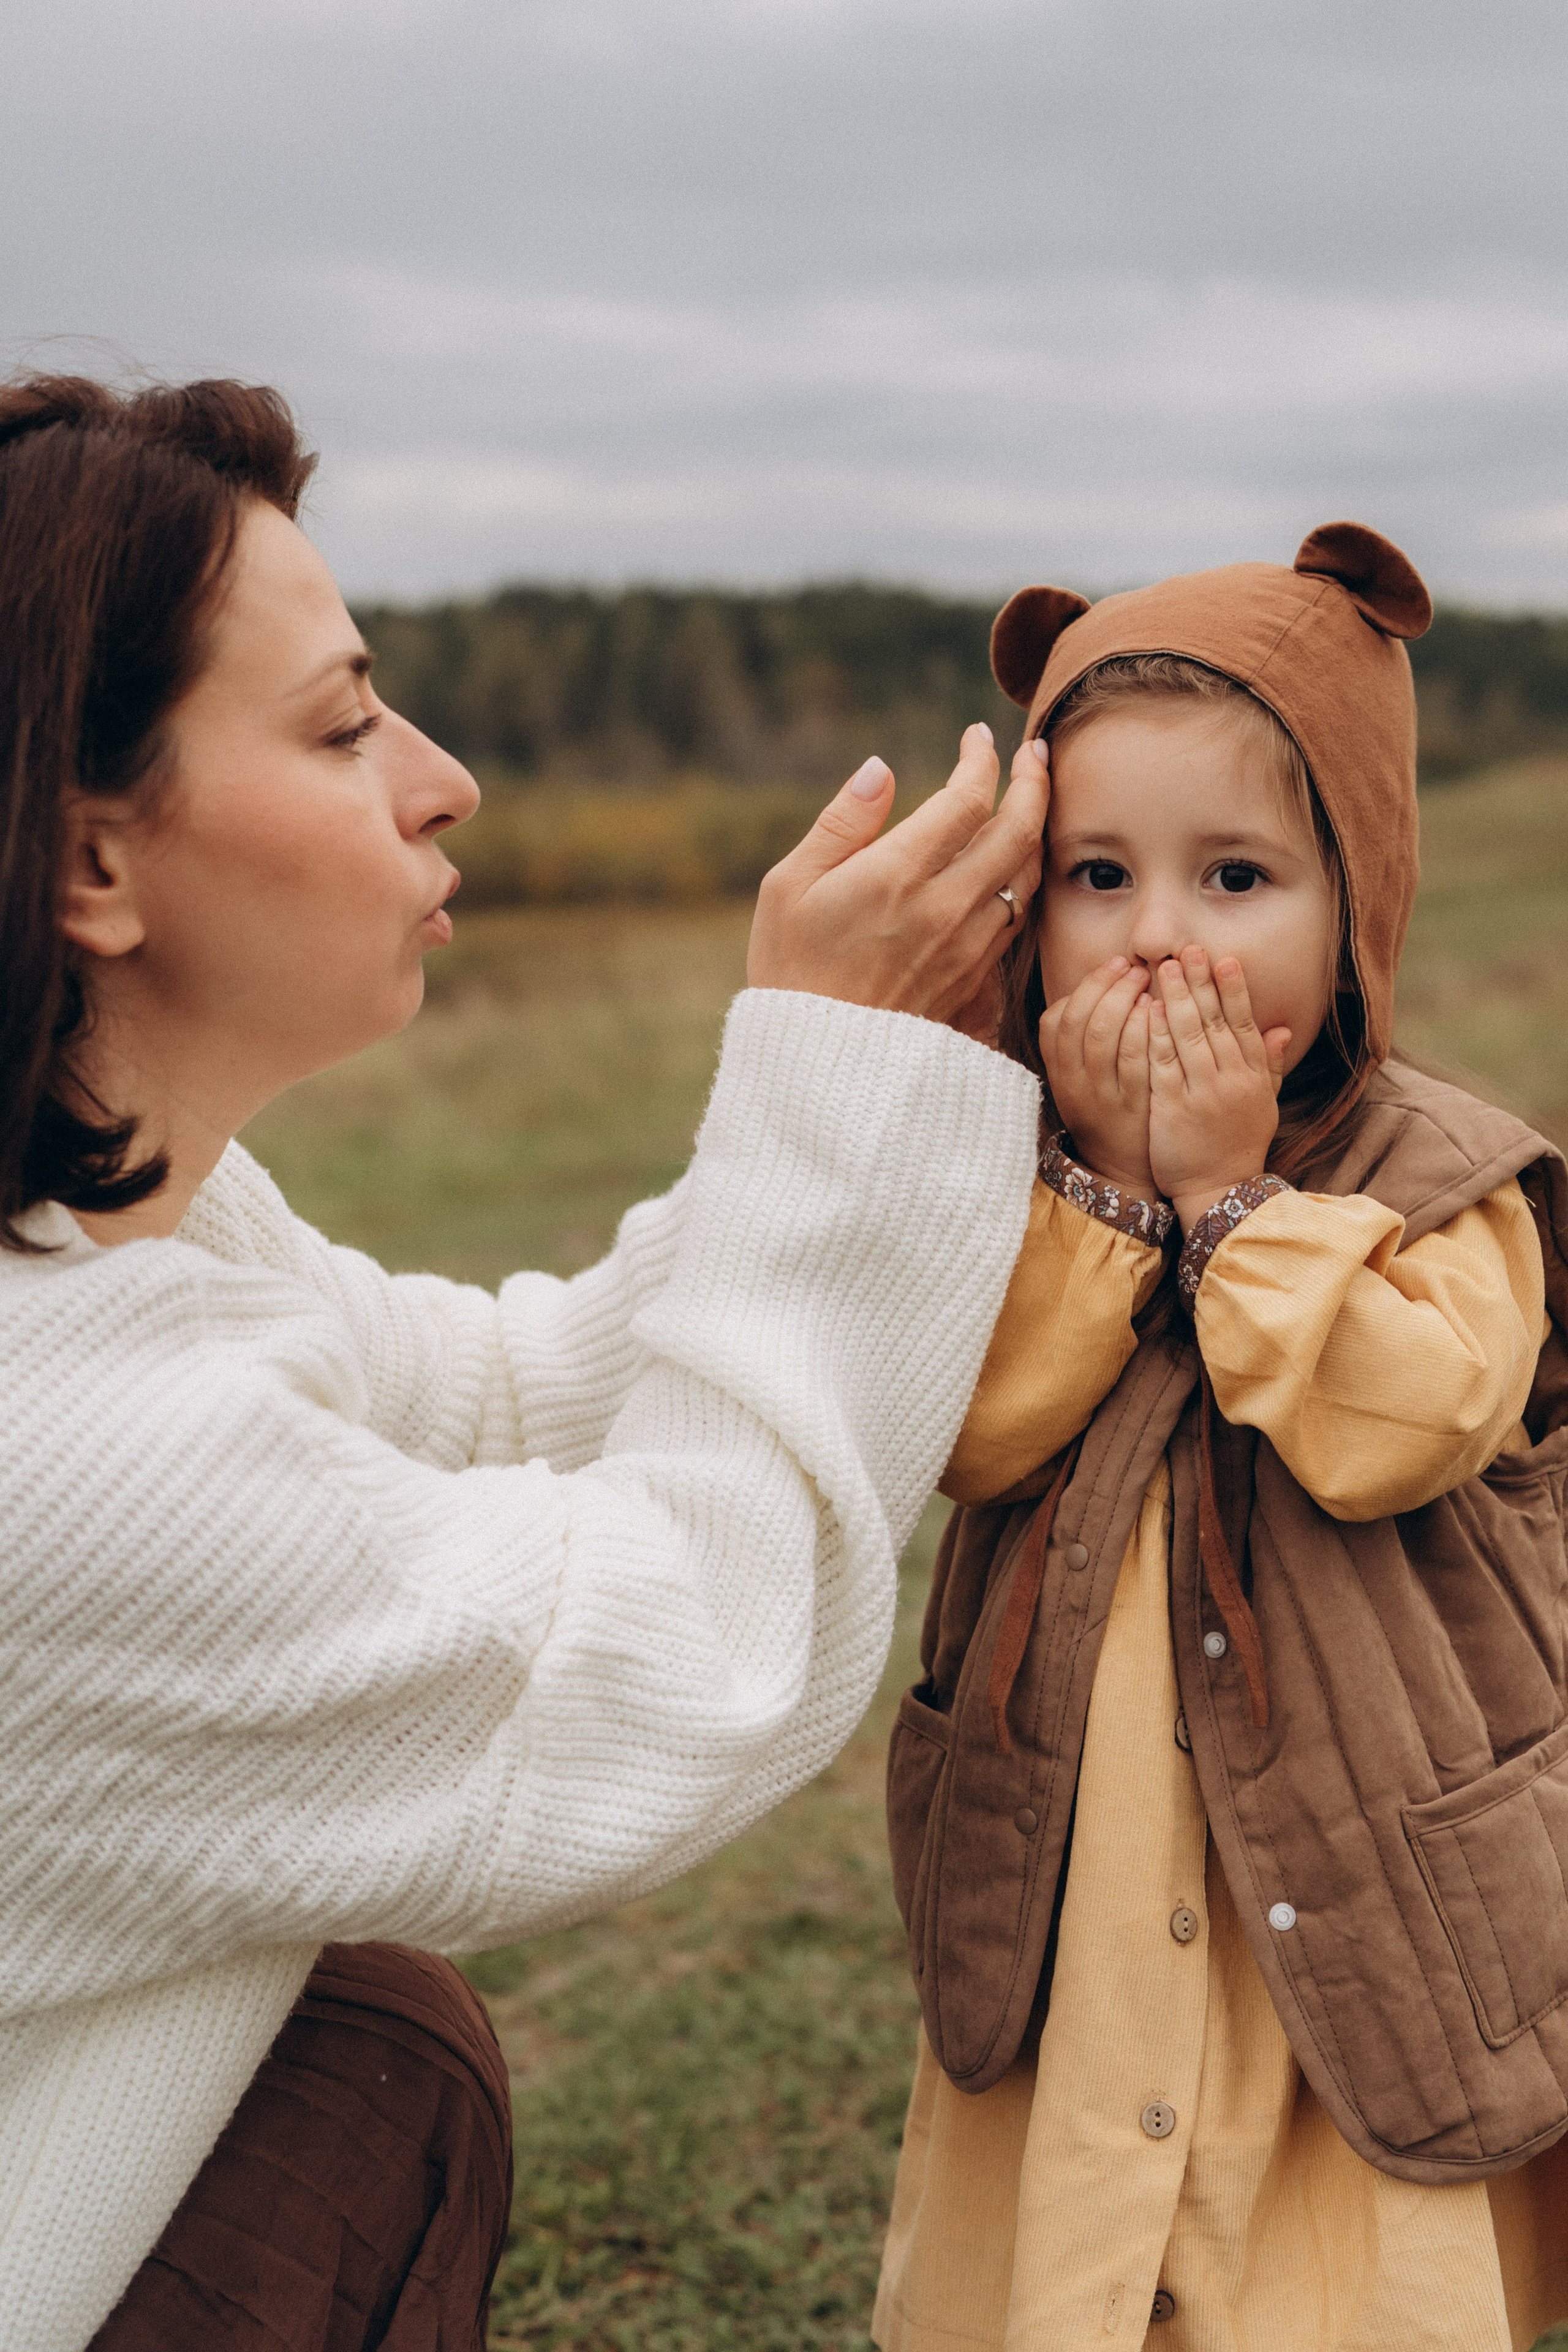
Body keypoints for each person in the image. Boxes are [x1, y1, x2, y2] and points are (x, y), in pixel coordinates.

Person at [0, 372, 1051, 2352]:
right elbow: (668, 1657)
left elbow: (485, 1402)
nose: (444, 778)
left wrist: (885, 1085)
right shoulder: (54, 1442)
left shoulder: (109, 1220)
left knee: (365, 2057)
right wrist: (835, 1087)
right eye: (341, 727)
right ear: (89, 866)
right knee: (374, 2062)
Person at [874, 526, 1568, 2352]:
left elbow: (1410, 1422)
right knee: (1089, 2229)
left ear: (1358, 907)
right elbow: (974, 1427)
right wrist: (1113, 1196)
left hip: (1368, 1875)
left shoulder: (1451, 1178)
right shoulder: (1013, 1174)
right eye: (1097, 876)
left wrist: (1235, 1207)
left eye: (1237, 875)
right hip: (1088, 1858)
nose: (1159, 935)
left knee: (1332, 2262)